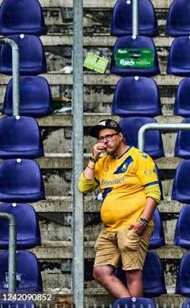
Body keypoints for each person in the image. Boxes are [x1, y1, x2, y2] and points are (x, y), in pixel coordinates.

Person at [77, 119, 161, 298]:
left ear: (121, 136)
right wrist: (93, 159)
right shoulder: (102, 162)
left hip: (132, 225)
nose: (104, 141)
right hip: (109, 229)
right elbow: (84, 187)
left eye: (108, 136)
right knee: (100, 272)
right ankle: (130, 304)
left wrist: (142, 222)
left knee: (132, 273)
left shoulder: (140, 158)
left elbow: (154, 194)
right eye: (101, 138)